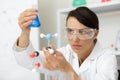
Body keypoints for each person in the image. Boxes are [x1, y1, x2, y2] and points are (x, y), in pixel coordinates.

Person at [13, 6, 118, 80]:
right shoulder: (65, 53)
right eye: (70, 31)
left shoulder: (107, 58)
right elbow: (29, 61)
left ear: (95, 34)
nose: (74, 39)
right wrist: (25, 32)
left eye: (83, 32)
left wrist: (66, 68)